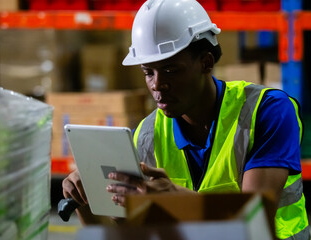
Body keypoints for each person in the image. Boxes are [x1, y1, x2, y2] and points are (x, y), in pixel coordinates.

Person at [62, 0, 310, 238]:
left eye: (170, 70)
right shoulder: (148, 135)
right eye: (148, 72)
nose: (157, 84)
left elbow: (255, 224)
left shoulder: (267, 111)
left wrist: (178, 202)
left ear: (206, 63)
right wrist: (89, 201)